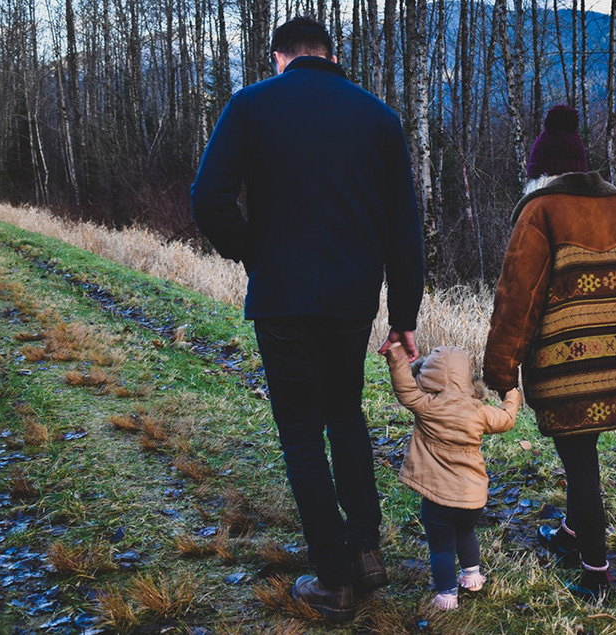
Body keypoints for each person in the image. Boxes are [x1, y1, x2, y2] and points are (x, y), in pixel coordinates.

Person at [189, 17, 424, 623]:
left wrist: (250, 249)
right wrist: (402, 315)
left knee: (299, 430)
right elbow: (404, 230)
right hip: (351, 301)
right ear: (329, 55)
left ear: (279, 57)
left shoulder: (251, 106)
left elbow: (207, 198)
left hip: (282, 297)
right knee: (345, 414)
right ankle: (366, 550)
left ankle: (332, 577)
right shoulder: (379, 118)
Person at [482, 105, 616, 601]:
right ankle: (571, 535)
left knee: (581, 461)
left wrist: (501, 369)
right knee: (582, 450)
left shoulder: (538, 212)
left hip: (564, 366)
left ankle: (595, 571)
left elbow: (516, 298)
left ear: (539, 172)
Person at [382, 342, 521, 610]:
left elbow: (403, 387)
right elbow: (507, 419)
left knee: (441, 546)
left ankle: (447, 594)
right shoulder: (479, 412)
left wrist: (397, 354)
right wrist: (511, 393)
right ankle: (472, 577)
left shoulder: (426, 404)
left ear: (429, 375)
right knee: (466, 533)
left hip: (438, 495)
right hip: (473, 497)